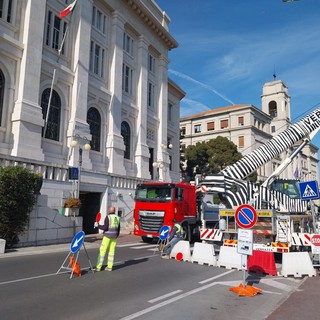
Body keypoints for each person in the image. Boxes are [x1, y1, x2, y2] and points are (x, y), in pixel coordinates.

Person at [94, 206, 120, 271]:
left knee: (102, 251)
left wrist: (98, 225)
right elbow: (118, 229)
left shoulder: (108, 217)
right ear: (115, 210)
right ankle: (109, 267)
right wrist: (116, 235)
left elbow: (105, 228)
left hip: (107, 236)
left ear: (109, 211)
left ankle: (98, 267)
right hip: (114, 237)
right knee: (111, 252)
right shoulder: (118, 218)